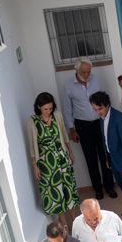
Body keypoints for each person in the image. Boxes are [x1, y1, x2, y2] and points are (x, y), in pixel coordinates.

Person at [63, 60, 117, 202]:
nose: (87, 75)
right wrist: (71, 129)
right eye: (83, 72)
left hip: (99, 122)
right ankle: (98, 189)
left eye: (88, 72)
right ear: (77, 71)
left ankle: (109, 186)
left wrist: (107, 119)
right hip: (82, 125)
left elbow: (103, 101)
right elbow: (67, 108)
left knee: (105, 154)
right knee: (90, 158)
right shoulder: (69, 85)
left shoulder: (96, 80)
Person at [26, 92, 79, 233]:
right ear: (38, 107)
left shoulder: (58, 116)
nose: (49, 111)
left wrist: (70, 152)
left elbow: (64, 136)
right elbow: (32, 146)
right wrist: (35, 166)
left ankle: (75, 221)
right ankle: (64, 224)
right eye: (45, 109)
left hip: (62, 159)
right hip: (46, 164)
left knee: (68, 188)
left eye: (50, 108)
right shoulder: (32, 122)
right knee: (56, 193)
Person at [90, 91, 122, 230]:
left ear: (106, 105)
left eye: (99, 109)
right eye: (95, 109)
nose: (98, 112)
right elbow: (106, 140)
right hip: (113, 160)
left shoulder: (119, 118)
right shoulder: (102, 119)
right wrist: (107, 158)